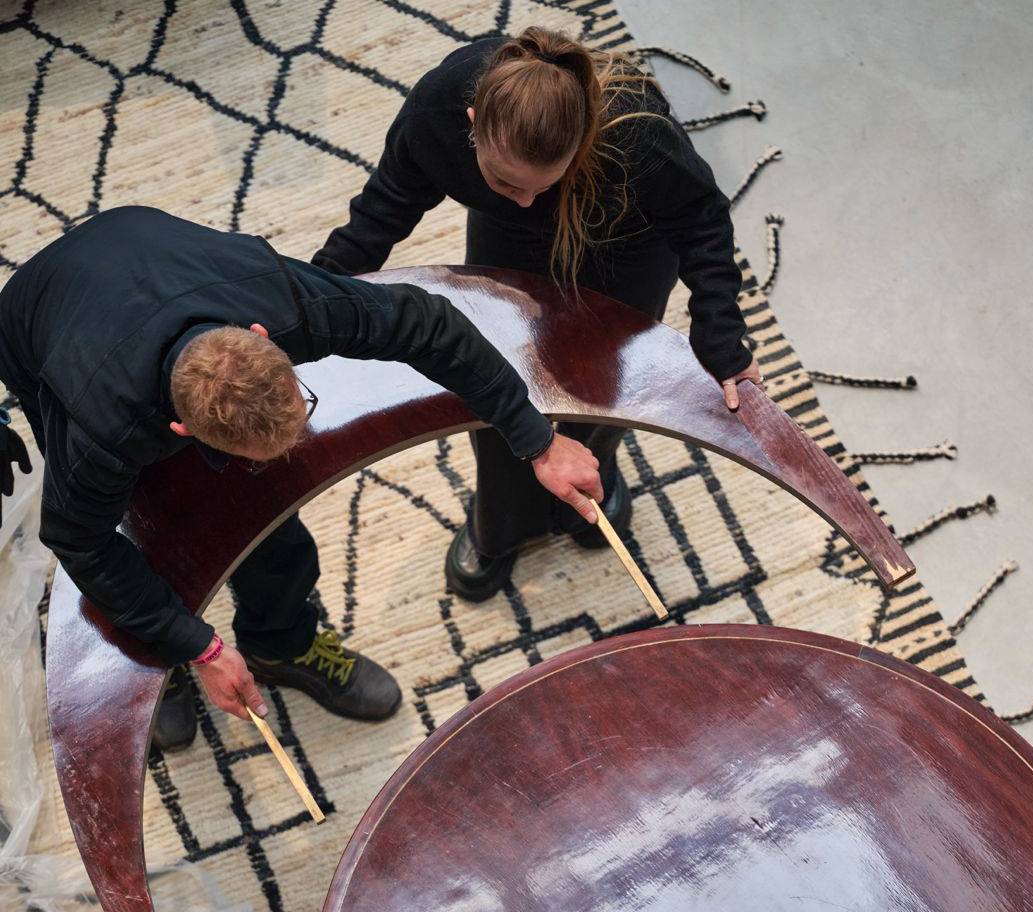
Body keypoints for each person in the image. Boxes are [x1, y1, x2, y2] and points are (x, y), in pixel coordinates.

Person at [0, 205, 601, 750]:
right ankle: (162, 661)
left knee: (261, 510)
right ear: (180, 430)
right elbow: (78, 540)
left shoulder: (281, 297)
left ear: (264, 338)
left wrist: (537, 439)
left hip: (147, 245)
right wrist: (197, 645)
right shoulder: (103, 428)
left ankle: (280, 642)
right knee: (143, 525)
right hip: (38, 324)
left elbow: (427, 323)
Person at [313, 26, 763, 603]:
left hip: (627, 245)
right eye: (505, 180)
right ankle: (497, 526)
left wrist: (721, 337)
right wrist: (310, 298)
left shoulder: (640, 136)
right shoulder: (436, 110)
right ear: (472, 124)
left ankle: (594, 479)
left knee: (607, 385)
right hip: (506, 239)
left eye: (541, 185)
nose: (527, 200)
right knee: (498, 380)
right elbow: (380, 214)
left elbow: (703, 222)